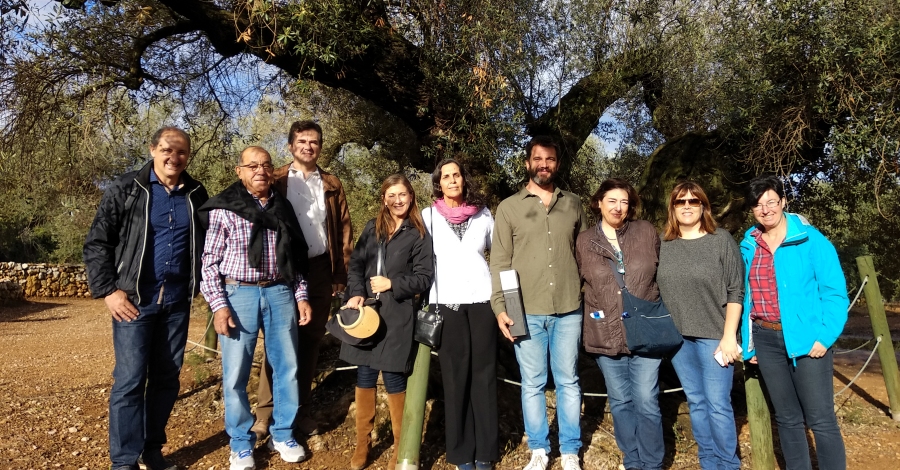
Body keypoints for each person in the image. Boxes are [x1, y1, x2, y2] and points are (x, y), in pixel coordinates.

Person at [84, 126, 209, 470]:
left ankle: (150, 450)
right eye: (168, 149)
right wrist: (108, 290)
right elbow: (97, 243)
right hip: (134, 302)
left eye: (182, 152)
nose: (175, 157)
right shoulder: (127, 188)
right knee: (130, 380)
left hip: (177, 303)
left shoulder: (197, 193)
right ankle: (123, 461)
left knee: (167, 379)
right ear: (153, 149)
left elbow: (209, 244)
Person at [199, 146, 312, 470]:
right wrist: (219, 306)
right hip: (238, 295)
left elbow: (296, 259)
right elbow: (209, 264)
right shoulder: (224, 208)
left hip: (279, 293)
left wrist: (301, 295)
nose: (260, 170)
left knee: (287, 367)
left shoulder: (283, 208)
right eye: (252, 165)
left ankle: (283, 434)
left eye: (265, 165)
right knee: (235, 373)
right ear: (240, 171)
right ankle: (240, 444)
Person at [490, 136, 588, 470]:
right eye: (537, 159)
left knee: (569, 380)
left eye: (550, 159)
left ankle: (571, 450)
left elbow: (585, 254)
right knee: (532, 383)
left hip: (569, 308)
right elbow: (500, 262)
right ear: (528, 163)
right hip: (525, 309)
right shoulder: (509, 207)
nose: (543, 165)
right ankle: (539, 449)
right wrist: (500, 308)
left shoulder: (574, 204)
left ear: (557, 164)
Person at [252, 120, 353, 438]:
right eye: (302, 141)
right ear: (291, 145)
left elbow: (343, 232)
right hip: (283, 272)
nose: (308, 146)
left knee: (310, 343)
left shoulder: (333, 184)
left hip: (321, 270)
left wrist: (341, 273)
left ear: (320, 147)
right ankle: (264, 414)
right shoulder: (276, 179)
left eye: (314, 142)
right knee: (277, 344)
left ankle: (300, 412)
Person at [740, 175, 848, 470]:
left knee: (821, 420)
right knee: (787, 418)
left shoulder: (812, 240)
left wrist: (824, 337)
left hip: (808, 341)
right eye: (758, 205)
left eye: (771, 201)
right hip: (766, 339)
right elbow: (746, 297)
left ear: (783, 202)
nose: (766, 209)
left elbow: (835, 294)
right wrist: (749, 344)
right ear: (752, 210)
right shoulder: (748, 245)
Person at [341, 173, 434, 470]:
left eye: (402, 195)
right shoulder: (372, 229)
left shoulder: (418, 234)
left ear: (411, 197)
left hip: (398, 315)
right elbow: (355, 265)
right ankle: (362, 446)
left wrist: (392, 283)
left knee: (394, 378)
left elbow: (424, 277)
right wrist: (355, 293)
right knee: (365, 376)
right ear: (384, 198)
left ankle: (399, 448)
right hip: (367, 315)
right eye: (391, 195)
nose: (397, 200)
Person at [574, 178, 664, 470]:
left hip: (646, 332)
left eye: (624, 201)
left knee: (647, 400)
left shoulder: (646, 231)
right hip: (606, 332)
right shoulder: (585, 240)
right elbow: (576, 283)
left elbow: (665, 275)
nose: (618, 207)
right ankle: (632, 461)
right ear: (598, 203)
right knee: (621, 402)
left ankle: (652, 463)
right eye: (612, 200)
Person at [656, 182, 743, 470]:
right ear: (673, 208)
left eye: (694, 201)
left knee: (718, 404)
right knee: (696, 401)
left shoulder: (721, 241)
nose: (687, 206)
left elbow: (735, 290)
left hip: (715, 337)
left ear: (704, 206)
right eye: (680, 202)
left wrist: (729, 336)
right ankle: (708, 462)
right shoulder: (663, 245)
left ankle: (727, 464)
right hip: (679, 340)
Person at [422, 158, 498, 470]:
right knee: (455, 380)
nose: (452, 180)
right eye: (446, 176)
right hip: (447, 306)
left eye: (456, 175)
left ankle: (486, 453)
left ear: (464, 180)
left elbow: (501, 253)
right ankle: (461, 453)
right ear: (438, 183)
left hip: (482, 303)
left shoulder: (484, 213)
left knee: (484, 378)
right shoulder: (427, 217)